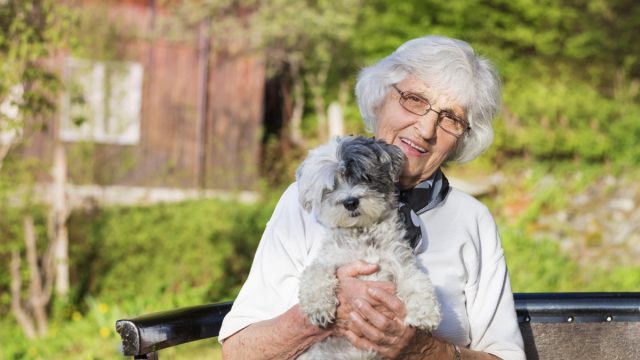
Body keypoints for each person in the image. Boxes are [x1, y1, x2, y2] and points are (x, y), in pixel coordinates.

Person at [219, 35, 525, 360]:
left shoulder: (472, 219)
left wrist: (423, 350)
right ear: (379, 99)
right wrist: (319, 320)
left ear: (464, 138)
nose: (425, 129)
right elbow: (238, 352)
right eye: (414, 99)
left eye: (450, 118)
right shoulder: (307, 198)